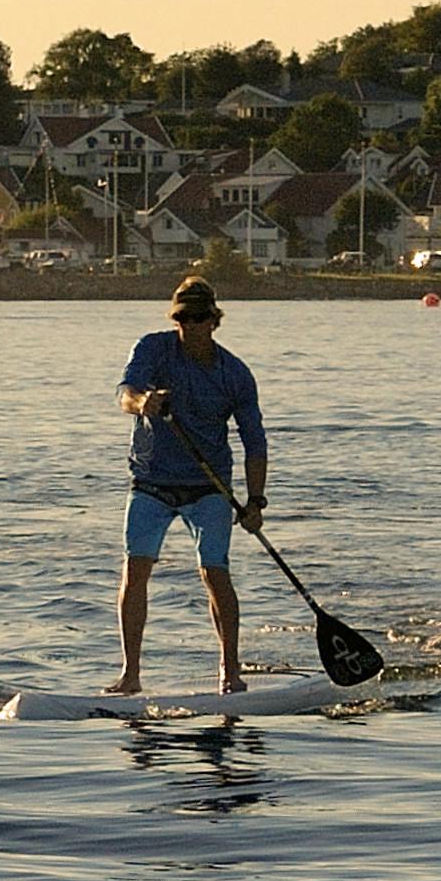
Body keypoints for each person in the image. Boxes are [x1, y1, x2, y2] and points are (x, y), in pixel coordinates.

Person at [115, 276, 268, 695]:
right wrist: (142, 403)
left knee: (214, 573)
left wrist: (255, 502)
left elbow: (255, 442)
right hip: (151, 482)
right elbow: (125, 393)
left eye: (199, 318)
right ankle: (131, 676)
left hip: (208, 487)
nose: (190, 326)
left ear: (214, 321)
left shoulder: (235, 374)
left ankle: (230, 672)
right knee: (136, 572)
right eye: (182, 318)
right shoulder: (152, 348)